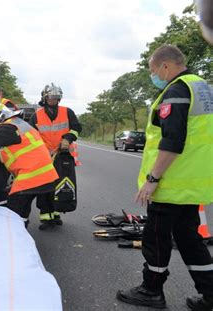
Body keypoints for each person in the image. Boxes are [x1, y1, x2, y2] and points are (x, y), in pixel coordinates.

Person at [116, 45, 213, 310]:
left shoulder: (177, 90)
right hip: (195, 181)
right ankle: (210, 294)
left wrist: (153, 178)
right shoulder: (204, 88)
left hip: (172, 181)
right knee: (189, 238)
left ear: (165, 66)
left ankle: (151, 291)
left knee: (156, 237)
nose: (153, 76)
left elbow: (173, 139)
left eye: (153, 70)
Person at [29, 83, 82, 230]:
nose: (53, 100)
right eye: (50, 97)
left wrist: (68, 138)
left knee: (60, 185)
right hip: (44, 157)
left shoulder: (67, 112)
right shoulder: (37, 115)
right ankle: (46, 216)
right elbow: (31, 136)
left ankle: (56, 212)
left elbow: (77, 128)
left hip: (62, 155)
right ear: (45, 98)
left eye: (56, 97)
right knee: (45, 186)